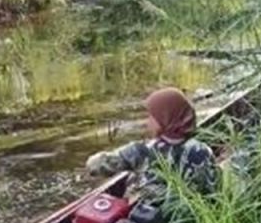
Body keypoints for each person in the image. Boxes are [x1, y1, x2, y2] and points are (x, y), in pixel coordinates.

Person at [85, 87, 218, 203]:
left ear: (166, 118)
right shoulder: (202, 151)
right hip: (183, 220)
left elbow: (96, 166)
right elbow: (212, 192)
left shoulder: (142, 151)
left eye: (152, 116)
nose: (148, 121)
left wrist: (95, 161)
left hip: (147, 218)